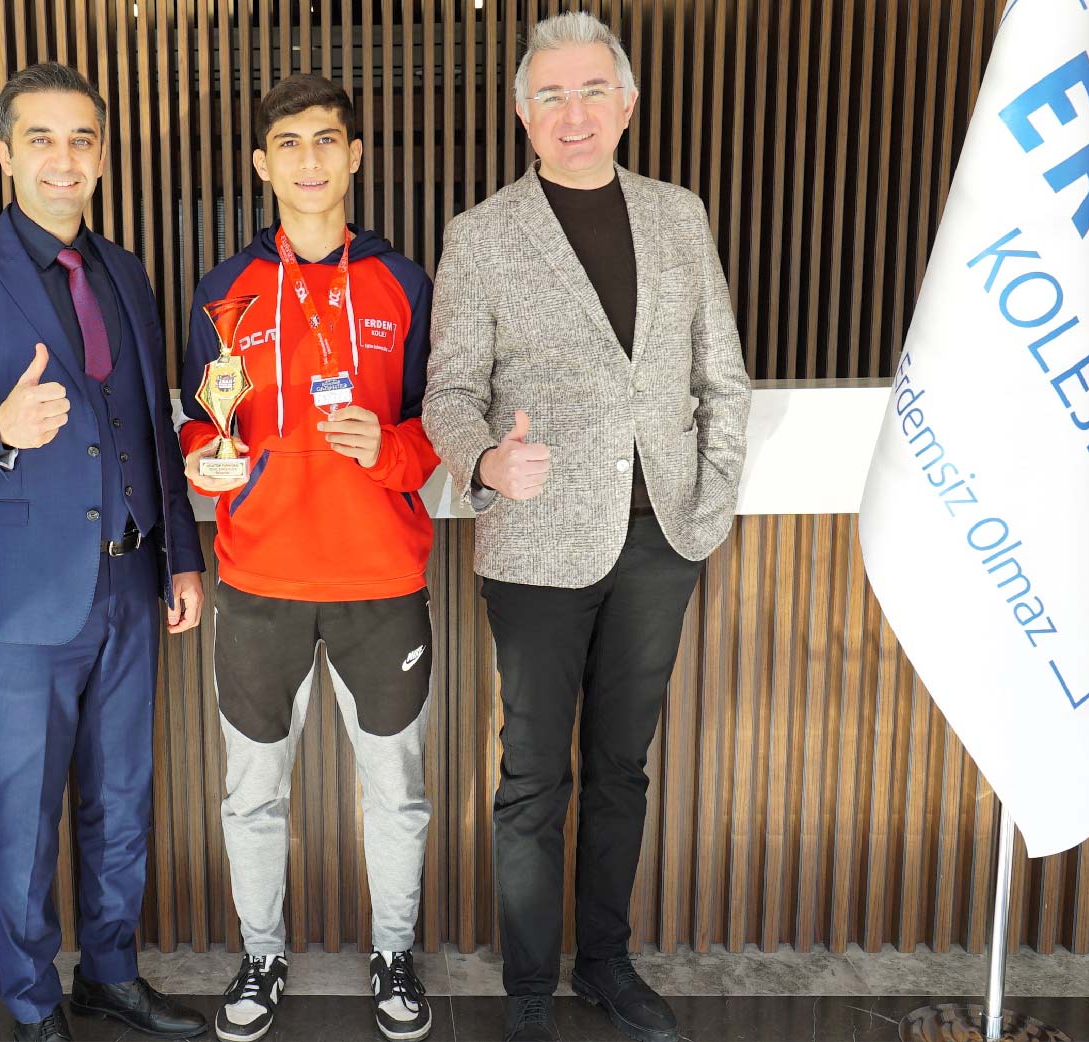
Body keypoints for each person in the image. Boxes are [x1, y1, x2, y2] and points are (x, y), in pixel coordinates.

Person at [419, 13, 750, 1042]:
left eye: (592, 90)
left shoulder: (678, 216)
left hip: (660, 542)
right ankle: (528, 988)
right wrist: (484, 461)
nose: (574, 113)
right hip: (535, 544)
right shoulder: (481, 235)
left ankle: (605, 963)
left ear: (627, 104)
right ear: (522, 112)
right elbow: (448, 391)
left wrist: (709, 498)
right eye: (552, 95)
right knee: (531, 777)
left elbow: (722, 375)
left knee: (620, 767)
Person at [0, 63, 208, 1042]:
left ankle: (109, 974)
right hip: (22, 597)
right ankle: (33, 1001)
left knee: (121, 799)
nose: (62, 159)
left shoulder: (125, 272)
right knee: (27, 810)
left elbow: (151, 428)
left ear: (102, 157)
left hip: (129, 576)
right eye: (40, 138)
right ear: (3, 153)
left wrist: (182, 556)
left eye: (81, 139)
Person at [179, 74, 441, 1042]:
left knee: (396, 794)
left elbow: (443, 420)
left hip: (381, 582)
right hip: (259, 584)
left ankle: (393, 952)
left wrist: (393, 449)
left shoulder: (403, 283)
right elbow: (196, 421)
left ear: (355, 154)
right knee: (251, 794)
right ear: (261, 163)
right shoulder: (224, 288)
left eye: (326, 139)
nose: (308, 159)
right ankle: (261, 954)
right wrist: (201, 461)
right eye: (287, 142)